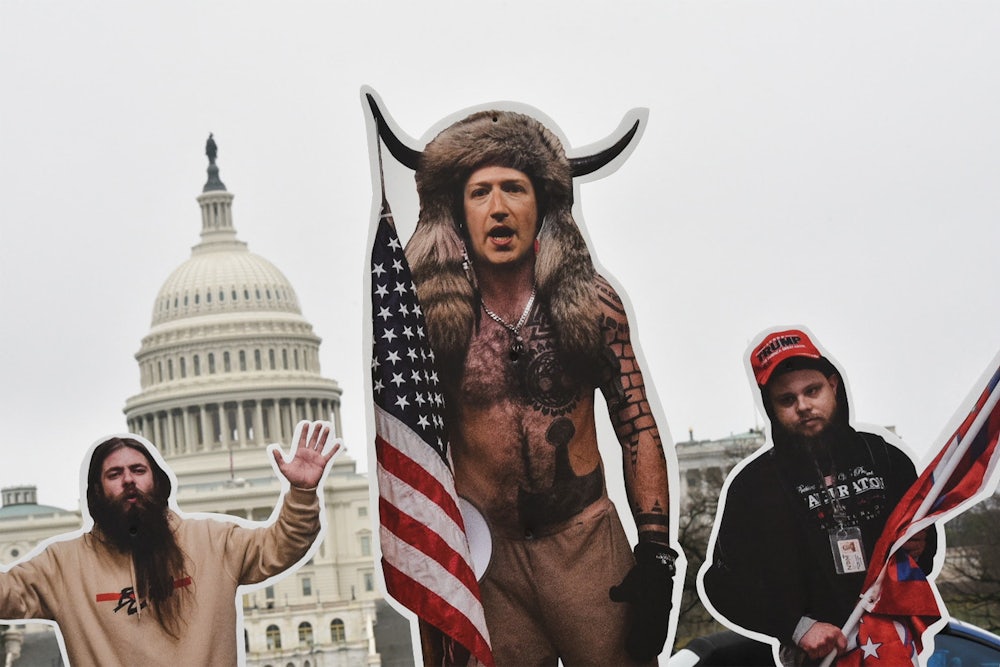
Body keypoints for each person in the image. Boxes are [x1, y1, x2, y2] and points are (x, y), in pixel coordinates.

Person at [404, 109, 677, 665]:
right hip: (488, 555)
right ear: (458, 211)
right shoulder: (430, 319)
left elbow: (637, 424)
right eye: (480, 192)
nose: (498, 208)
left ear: (541, 205)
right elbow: (411, 444)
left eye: (514, 189)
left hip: (583, 542)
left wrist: (655, 555)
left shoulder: (591, 304)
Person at [0, 420, 339, 665]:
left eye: (138, 470)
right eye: (114, 475)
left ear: (158, 481)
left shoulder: (211, 541)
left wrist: (303, 492)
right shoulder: (63, 566)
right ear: (96, 492)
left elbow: (282, 546)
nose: (129, 480)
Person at [701, 328, 936, 666]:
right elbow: (722, 584)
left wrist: (922, 544)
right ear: (772, 408)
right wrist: (797, 627)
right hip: (817, 657)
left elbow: (925, 541)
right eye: (787, 399)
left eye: (812, 391)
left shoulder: (884, 458)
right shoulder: (753, 485)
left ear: (833, 386)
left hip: (890, 643)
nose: (803, 406)